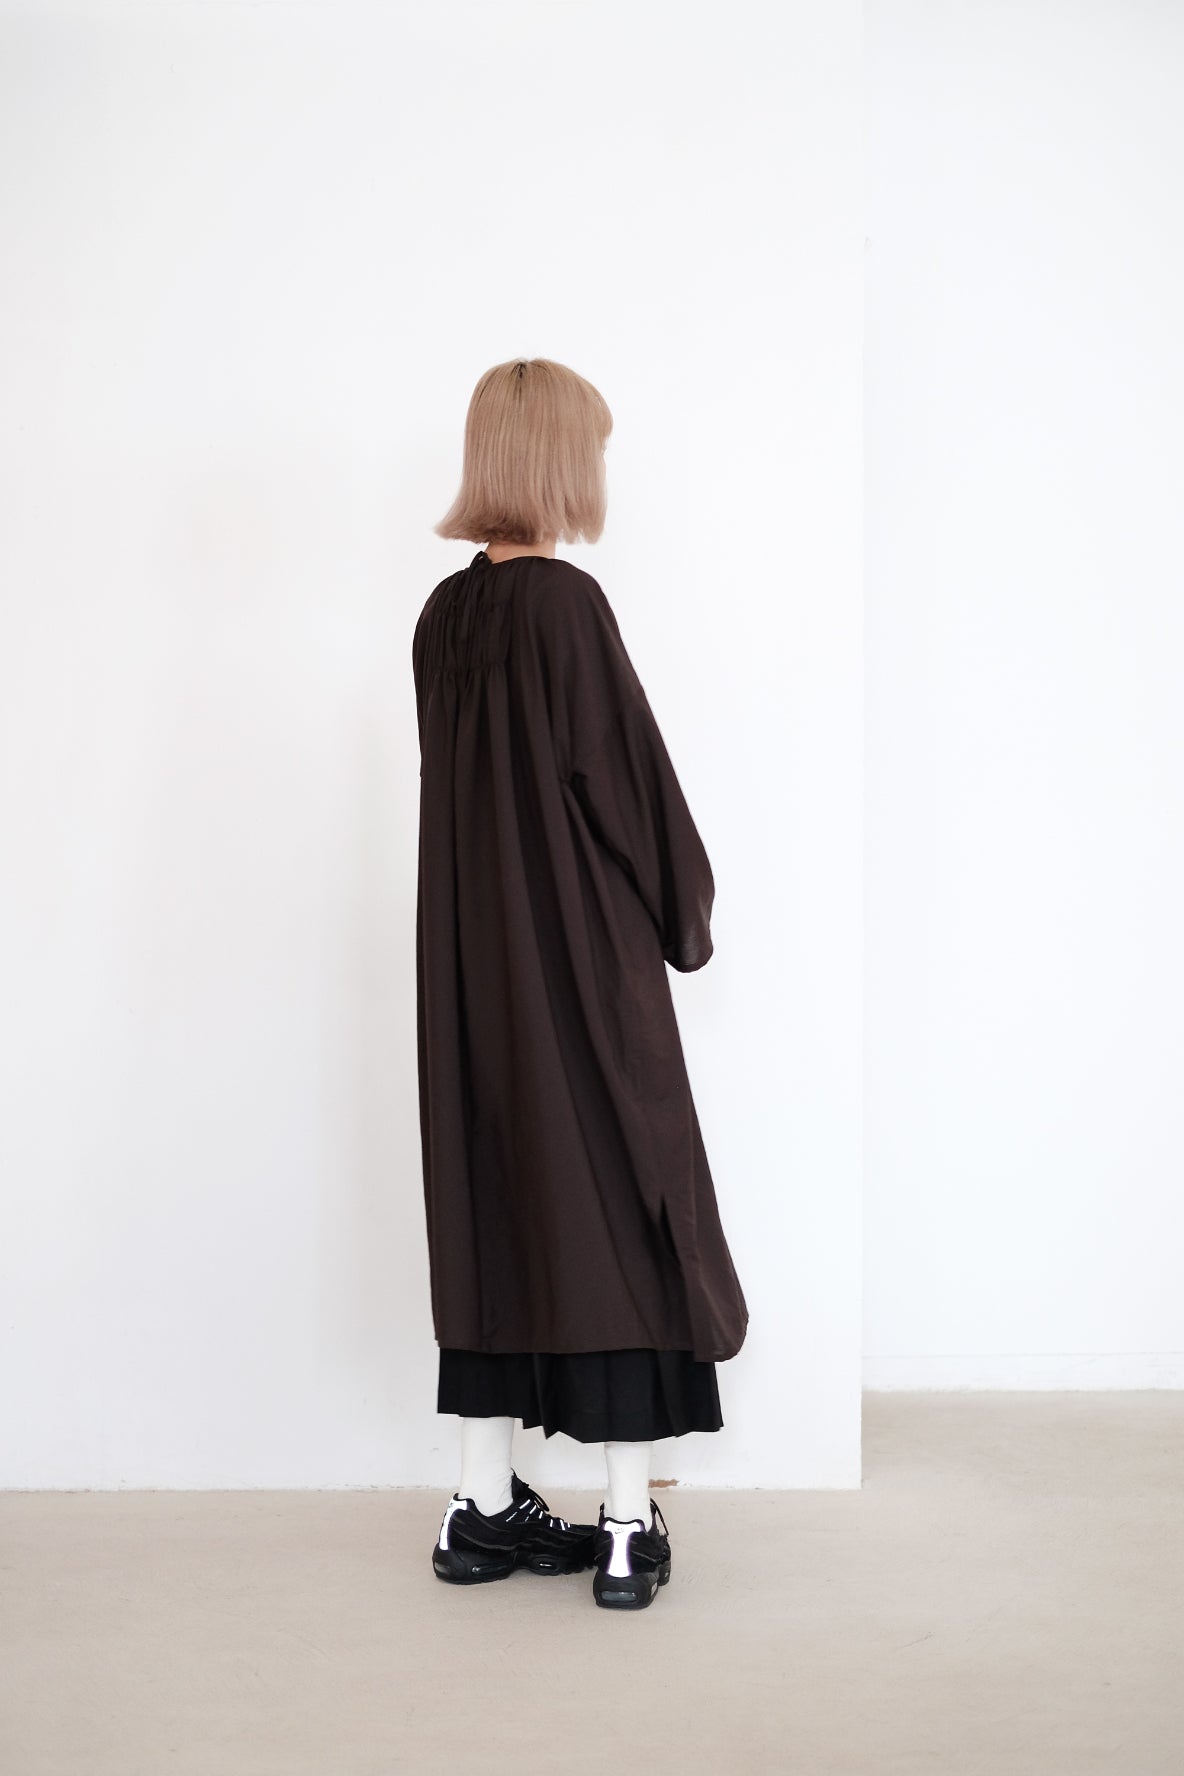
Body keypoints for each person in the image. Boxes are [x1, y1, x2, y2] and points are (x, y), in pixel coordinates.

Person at [412, 357, 748, 1610]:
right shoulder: (566, 605)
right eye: (592, 449)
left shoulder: (442, 619)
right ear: (562, 459)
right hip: (576, 970)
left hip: (470, 975)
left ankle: (476, 1507)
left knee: (495, 1213)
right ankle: (619, 1525)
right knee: (623, 1210)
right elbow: (627, 785)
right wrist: (684, 914)